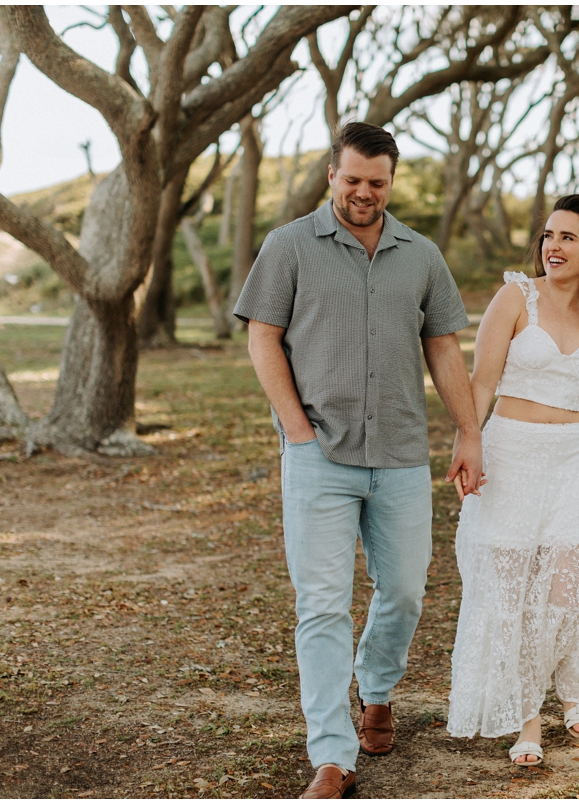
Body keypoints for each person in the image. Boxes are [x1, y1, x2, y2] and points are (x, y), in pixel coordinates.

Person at [234, 122, 483, 799]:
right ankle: (333, 757)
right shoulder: (288, 245)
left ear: (391, 182)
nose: (363, 193)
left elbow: (445, 349)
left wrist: (469, 432)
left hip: (401, 455)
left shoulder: (421, 254)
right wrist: (296, 431)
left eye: (376, 182)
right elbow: (263, 338)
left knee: (403, 590)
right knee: (321, 606)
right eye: (352, 180)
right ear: (330, 176)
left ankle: (376, 689)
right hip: (320, 453)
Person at [445, 195, 579, 767]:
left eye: (568, 237)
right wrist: (465, 445)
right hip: (512, 454)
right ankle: (528, 720)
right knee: (513, 591)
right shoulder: (515, 296)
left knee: (566, 584)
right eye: (549, 235)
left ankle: (573, 689)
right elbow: (480, 383)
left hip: (575, 459)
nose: (553, 245)